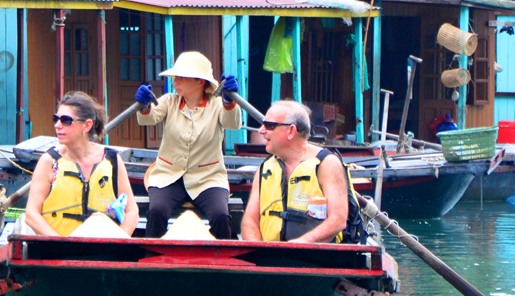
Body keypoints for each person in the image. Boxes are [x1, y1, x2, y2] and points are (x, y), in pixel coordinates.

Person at [135, 51, 243, 239]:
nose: (176, 81)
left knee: (221, 215)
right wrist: (144, 106)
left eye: (182, 77)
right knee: (157, 211)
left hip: (208, 177)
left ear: (200, 82)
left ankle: (222, 263)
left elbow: (233, 124)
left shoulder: (217, 104)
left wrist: (229, 101)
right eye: (176, 77)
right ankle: (151, 259)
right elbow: (149, 118)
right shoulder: (169, 101)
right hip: (169, 175)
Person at [241, 99, 357, 244]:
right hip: (271, 258)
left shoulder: (327, 164)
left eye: (270, 126)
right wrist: (259, 250)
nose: (261, 131)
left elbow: (338, 219)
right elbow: (250, 220)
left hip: (318, 259)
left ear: (291, 131)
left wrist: (300, 244)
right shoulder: (265, 168)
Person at [24, 91, 140, 237]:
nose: (58, 125)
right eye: (56, 119)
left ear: (87, 125)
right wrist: (61, 244)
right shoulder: (49, 161)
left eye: (66, 120)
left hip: (103, 253)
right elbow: (31, 214)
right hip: (57, 253)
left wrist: (118, 242)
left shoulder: (111, 159)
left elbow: (132, 211)